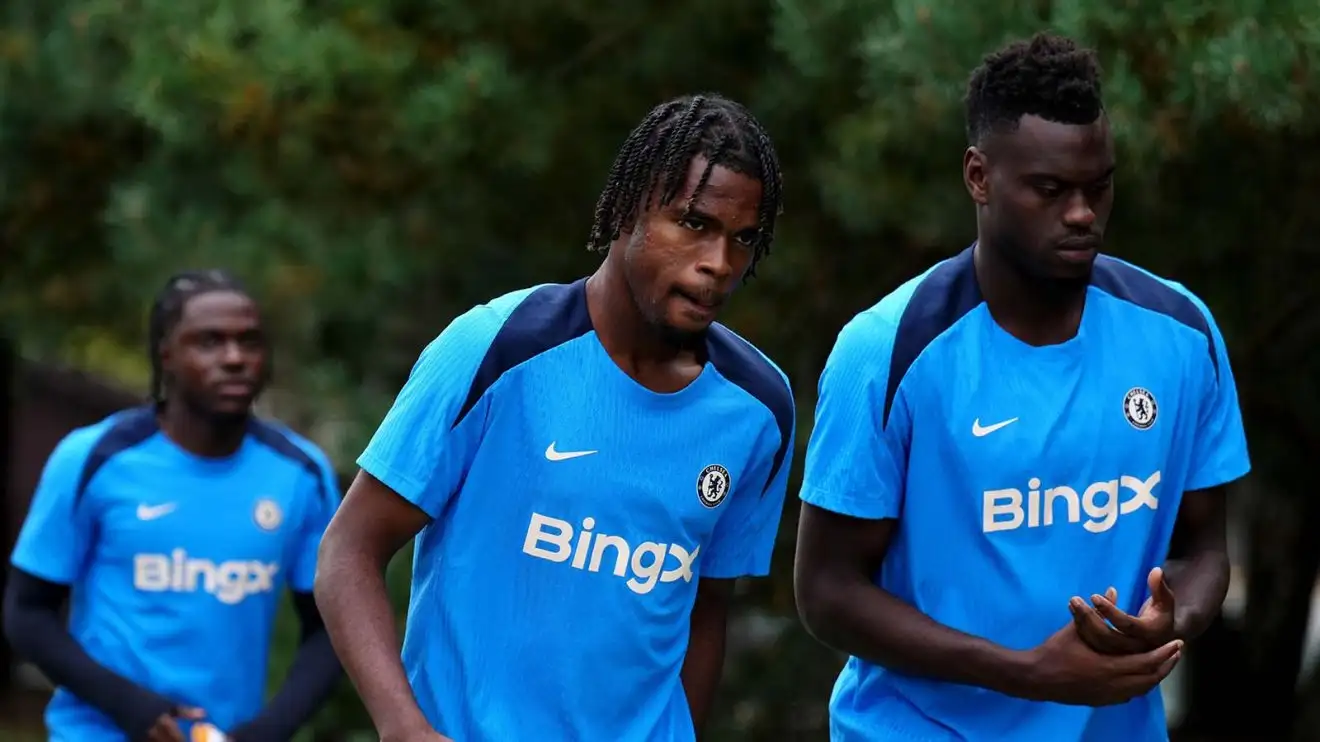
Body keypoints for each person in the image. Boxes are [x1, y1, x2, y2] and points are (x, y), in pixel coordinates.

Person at [793, 33, 1249, 741]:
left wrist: (1171, 618)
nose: (1081, 214)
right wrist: (1024, 671)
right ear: (979, 176)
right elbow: (826, 592)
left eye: (1098, 187)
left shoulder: (1181, 335)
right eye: (1051, 190)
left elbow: (1204, 549)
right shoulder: (888, 350)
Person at [314, 93, 794, 742]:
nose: (719, 264)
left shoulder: (760, 409)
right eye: (694, 223)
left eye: (743, 239)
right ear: (629, 208)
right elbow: (349, 551)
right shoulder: (498, 346)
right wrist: (403, 727)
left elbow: (707, 611)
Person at [4, 271, 343, 742]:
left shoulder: (302, 475)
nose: (233, 358)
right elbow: (26, 613)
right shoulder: (93, 459)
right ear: (167, 355)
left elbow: (330, 631)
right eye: (209, 342)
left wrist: (267, 731)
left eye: (249, 342)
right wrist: (127, 705)